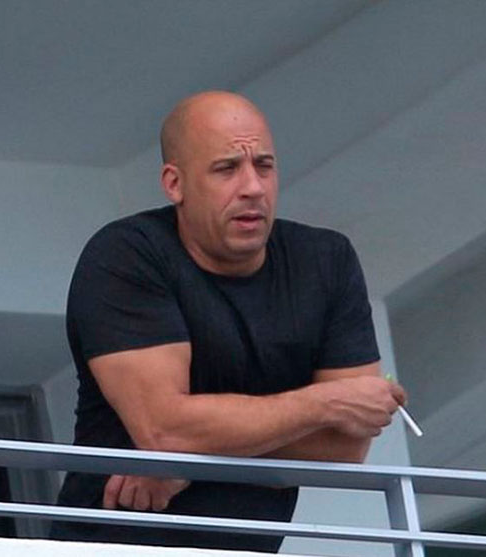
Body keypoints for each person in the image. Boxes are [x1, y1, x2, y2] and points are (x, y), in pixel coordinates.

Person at [49, 91, 406, 552]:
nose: (253, 187)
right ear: (174, 184)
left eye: (264, 166)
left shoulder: (326, 261)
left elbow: (346, 445)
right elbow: (165, 430)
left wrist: (191, 461)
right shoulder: (127, 255)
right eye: (226, 169)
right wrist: (325, 402)